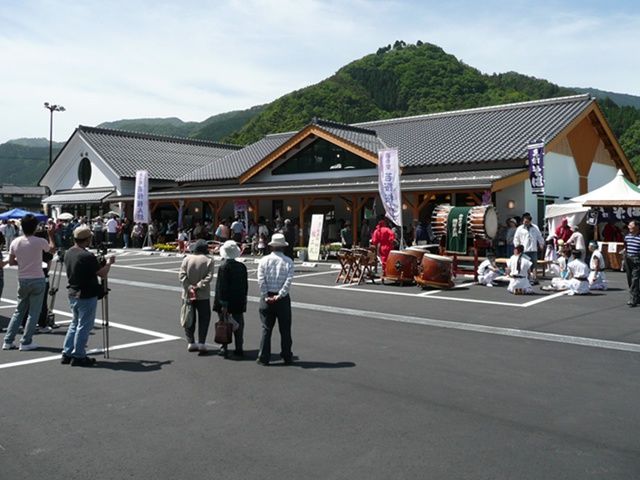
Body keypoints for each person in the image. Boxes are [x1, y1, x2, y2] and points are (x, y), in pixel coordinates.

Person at [61, 225, 115, 365]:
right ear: (87, 239)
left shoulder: (69, 252)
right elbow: (102, 273)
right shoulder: (86, 256)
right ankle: (78, 355)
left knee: (75, 323)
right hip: (86, 293)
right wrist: (109, 263)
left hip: (73, 292)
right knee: (84, 325)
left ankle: (67, 352)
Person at [2, 214, 56, 351]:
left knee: (19, 311)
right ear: (35, 228)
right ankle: (26, 341)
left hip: (22, 278)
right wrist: (50, 235)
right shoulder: (39, 241)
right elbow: (52, 250)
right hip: (37, 278)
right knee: (34, 312)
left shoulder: (15, 242)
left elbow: (12, 261)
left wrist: (23, 261)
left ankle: (8, 341)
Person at [256, 233, 295, 366]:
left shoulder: (264, 260)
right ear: (283, 247)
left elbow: (261, 279)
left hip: (267, 297)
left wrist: (266, 295)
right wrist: (280, 295)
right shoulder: (288, 261)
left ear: (272, 247)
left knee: (266, 329)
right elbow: (288, 282)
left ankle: (263, 357)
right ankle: (287, 355)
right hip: (282, 299)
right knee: (285, 329)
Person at [213, 240, 248, 358]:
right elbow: (245, 285)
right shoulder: (242, 266)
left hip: (226, 301)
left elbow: (222, 287)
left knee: (224, 323)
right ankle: (239, 347)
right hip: (238, 299)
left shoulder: (224, 267)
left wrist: (223, 303)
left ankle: (224, 347)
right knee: (238, 324)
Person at [179, 239, 214, 354]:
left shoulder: (186, 259)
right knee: (204, 318)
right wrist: (198, 286)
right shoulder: (209, 260)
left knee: (189, 317)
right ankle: (202, 343)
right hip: (202, 294)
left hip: (187, 294)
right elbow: (209, 277)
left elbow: (182, 276)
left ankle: (191, 342)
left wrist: (189, 287)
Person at [513, 213, 544, 281]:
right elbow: (516, 238)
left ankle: (530, 274)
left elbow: (539, 236)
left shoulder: (535, 227)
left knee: (533, 261)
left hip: (533, 249)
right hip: (524, 249)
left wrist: (541, 243)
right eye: (524, 221)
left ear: (530, 221)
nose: (525, 223)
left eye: (527, 222)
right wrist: (517, 247)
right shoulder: (520, 228)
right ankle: (525, 275)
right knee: (525, 263)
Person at [624, 219, 640, 307]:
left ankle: (633, 298)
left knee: (635, 279)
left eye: (631, 225)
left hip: (637, 258)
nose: (629, 227)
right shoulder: (627, 237)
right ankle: (637, 296)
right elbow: (626, 246)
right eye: (629, 226)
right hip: (628, 258)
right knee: (630, 278)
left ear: (637, 227)